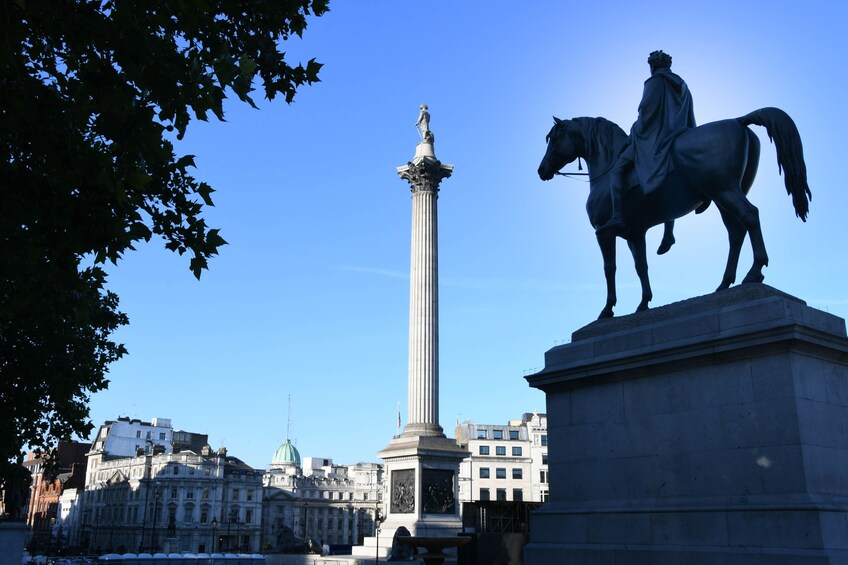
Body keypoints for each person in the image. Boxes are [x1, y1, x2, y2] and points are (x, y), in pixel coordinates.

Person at [596, 51, 696, 252]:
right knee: (669, 178)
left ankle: (616, 215)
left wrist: (634, 130)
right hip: (679, 134)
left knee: (617, 170)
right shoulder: (682, 85)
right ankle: (669, 233)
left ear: (653, 65)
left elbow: (646, 113)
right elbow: (689, 114)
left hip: (655, 137)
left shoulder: (654, 82)